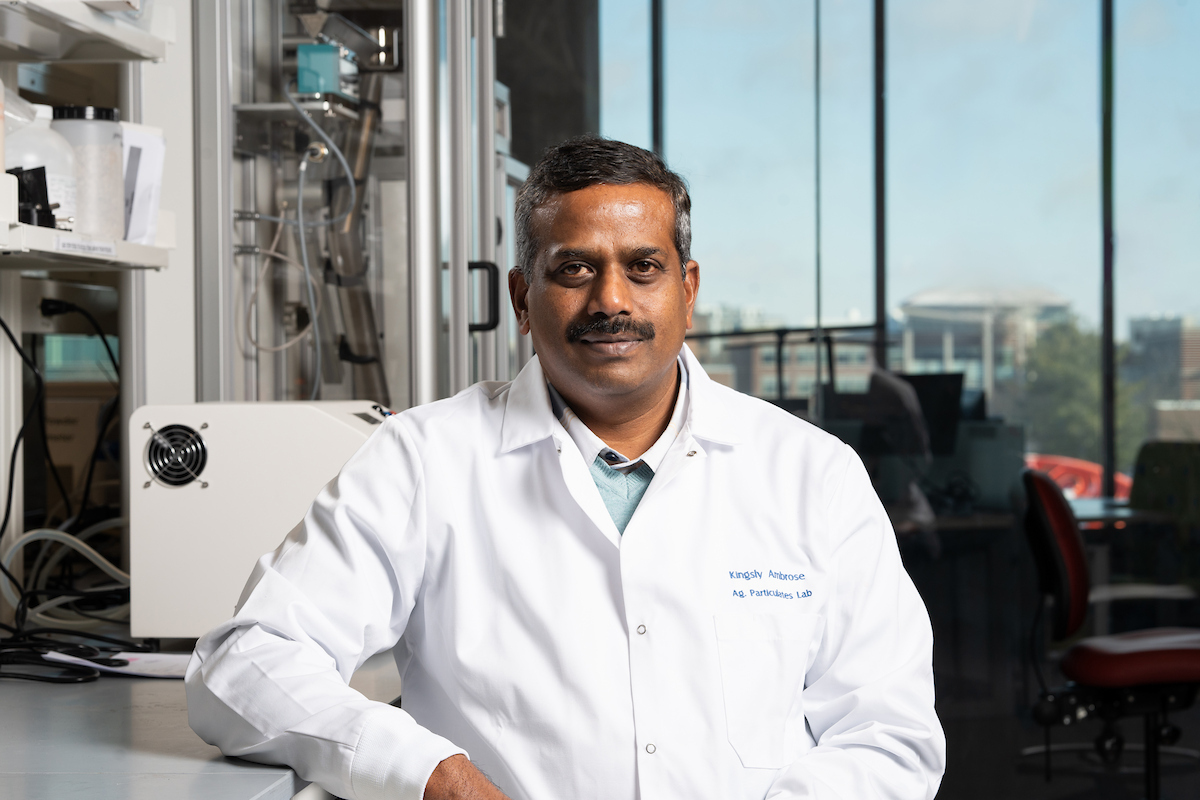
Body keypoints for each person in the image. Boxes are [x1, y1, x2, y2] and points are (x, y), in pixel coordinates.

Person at [186, 136, 945, 800]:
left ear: (687, 291)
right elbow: (244, 665)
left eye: (643, 267)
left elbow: (889, 734)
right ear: (523, 298)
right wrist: (431, 774)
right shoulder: (423, 460)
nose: (611, 300)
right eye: (575, 269)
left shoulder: (812, 475)